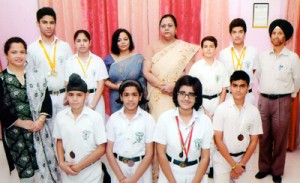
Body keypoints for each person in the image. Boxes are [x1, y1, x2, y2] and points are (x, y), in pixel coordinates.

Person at [0, 37, 60, 182]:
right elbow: (0, 106)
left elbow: (46, 99)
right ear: (6, 54)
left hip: (40, 130)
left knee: (46, 167)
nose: (19, 55)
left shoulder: (36, 76)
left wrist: (40, 120)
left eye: (22, 52)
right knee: (26, 172)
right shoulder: (2, 78)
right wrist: (22, 123)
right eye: (14, 52)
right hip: (16, 133)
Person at [254, 19, 300, 183]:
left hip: (283, 101)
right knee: (264, 136)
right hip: (264, 101)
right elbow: (258, 75)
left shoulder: (293, 58)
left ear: (285, 37)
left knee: (280, 138)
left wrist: (291, 95)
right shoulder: (262, 56)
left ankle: (277, 171)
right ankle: (264, 168)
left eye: (280, 33)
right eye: (273, 32)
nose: (276, 35)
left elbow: (297, 80)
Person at [154, 75, 212, 183]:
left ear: (197, 98)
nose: (186, 98)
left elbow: (205, 157)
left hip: (196, 174)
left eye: (191, 95)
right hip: (169, 174)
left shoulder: (205, 121)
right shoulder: (164, 118)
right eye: (182, 94)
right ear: (176, 95)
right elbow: (160, 153)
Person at [143, 14, 200, 121]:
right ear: (159, 29)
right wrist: (163, 86)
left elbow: (188, 75)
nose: (166, 28)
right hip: (157, 94)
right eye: (163, 26)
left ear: (176, 29)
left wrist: (174, 86)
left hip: (177, 93)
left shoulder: (185, 48)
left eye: (170, 25)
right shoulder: (152, 46)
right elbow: (146, 72)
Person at [53, 73, 107, 183]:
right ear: (66, 95)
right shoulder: (61, 116)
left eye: (79, 95)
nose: (74, 99)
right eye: (71, 95)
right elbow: (59, 140)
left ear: (86, 95)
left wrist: (79, 166)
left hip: (91, 174)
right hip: (68, 173)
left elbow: (101, 148)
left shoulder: (95, 117)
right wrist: (62, 163)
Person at [27, 7, 73, 132]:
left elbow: (72, 71)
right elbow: (31, 77)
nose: (48, 26)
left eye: (52, 22)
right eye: (45, 22)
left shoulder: (65, 46)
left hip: (65, 96)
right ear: (38, 23)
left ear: (55, 24)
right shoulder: (32, 49)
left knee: (68, 132)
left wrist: (70, 93)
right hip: (45, 98)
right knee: (50, 135)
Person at [189, 36, 229, 178]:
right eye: (205, 46)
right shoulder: (196, 67)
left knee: (215, 136)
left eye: (211, 46)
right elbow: (192, 89)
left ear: (215, 49)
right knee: (203, 134)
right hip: (201, 103)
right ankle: (203, 165)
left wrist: (220, 106)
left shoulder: (221, 66)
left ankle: (212, 165)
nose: (208, 49)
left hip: (217, 102)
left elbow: (224, 87)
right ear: (202, 49)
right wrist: (203, 108)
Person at [213, 70, 263, 183]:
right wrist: (233, 165)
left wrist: (241, 164)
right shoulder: (221, 109)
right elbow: (218, 139)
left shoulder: (254, 112)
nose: (238, 90)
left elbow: (254, 141)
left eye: (242, 86)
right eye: (235, 86)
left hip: (245, 159)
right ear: (230, 87)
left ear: (248, 88)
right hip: (223, 158)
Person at [106, 79, 155, 183]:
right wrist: (121, 178)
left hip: (141, 170)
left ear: (140, 96)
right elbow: (109, 151)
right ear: (121, 97)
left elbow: (150, 153)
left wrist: (133, 180)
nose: (130, 99)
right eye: (126, 95)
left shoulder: (148, 119)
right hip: (119, 168)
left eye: (134, 95)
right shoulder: (114, 119)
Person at [65, 30, 108, 120]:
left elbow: (101, 85)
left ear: (90, 43)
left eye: (85, 40)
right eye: (78, 41)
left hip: (95, 98)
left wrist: (92, 105)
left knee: (97, 129)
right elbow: (67, 84)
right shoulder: (69, 62)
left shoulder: (98, 61)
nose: (82, 44)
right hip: (78, 99)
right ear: (74, 43)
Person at [104, 28, 147, 114]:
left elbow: (144, 79)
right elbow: (104, 80)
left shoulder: (138, 59)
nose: (123, 42)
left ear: (130, 41)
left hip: (134, 97)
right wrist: (116, 87)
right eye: (119, 40)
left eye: (125, 39)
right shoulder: (109, 59)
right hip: (116, 97)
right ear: (115, 43)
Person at [219, 18, 258, 104]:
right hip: (230, 96)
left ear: (245, 33)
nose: (237, 35)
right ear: (230, 34)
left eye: (240, 32)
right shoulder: (223, 53)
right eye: (234, 32)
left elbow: (253, 70)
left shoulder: (253, 51)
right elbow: (223, 75)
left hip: (248, 96)